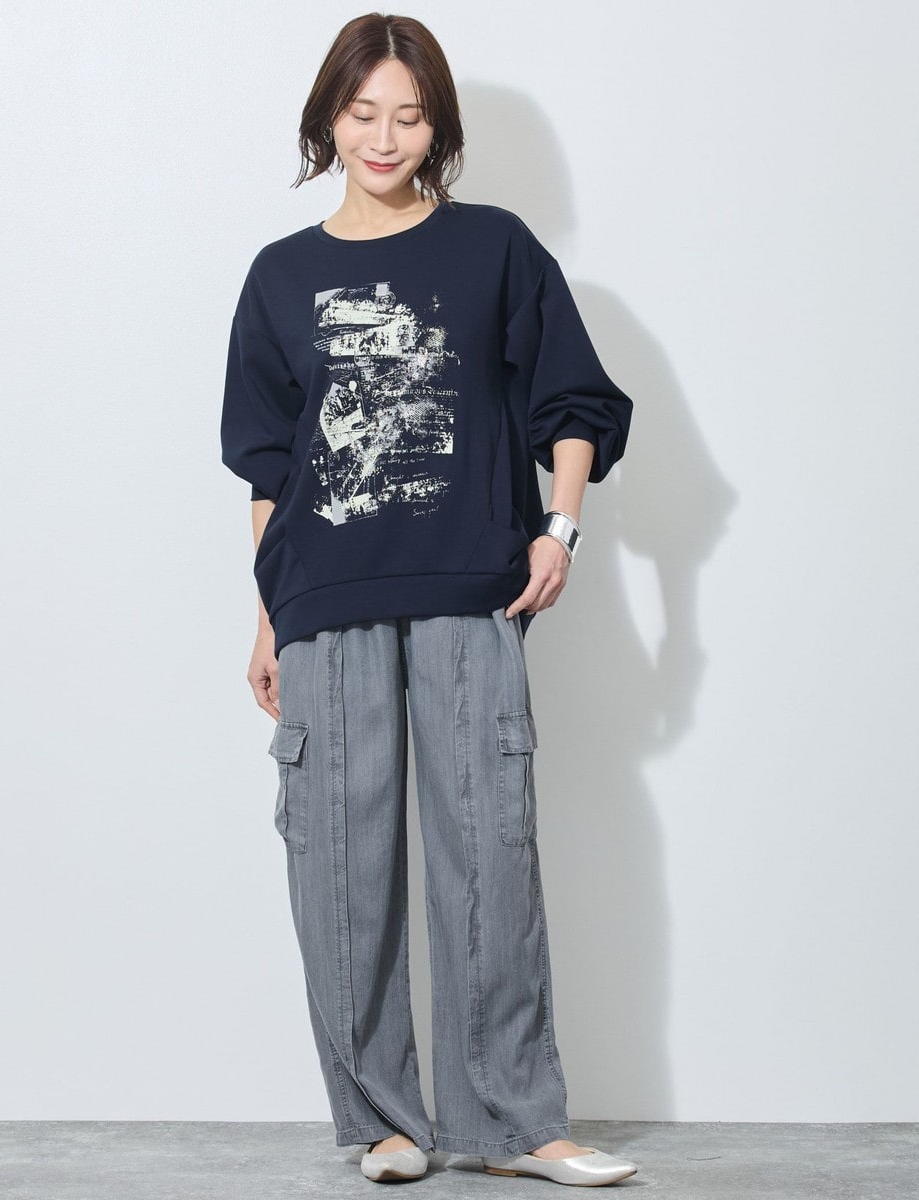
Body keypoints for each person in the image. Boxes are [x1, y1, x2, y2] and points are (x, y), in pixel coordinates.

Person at [220, 12, 637, 1187]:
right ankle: (383, 1125)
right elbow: (269, 470)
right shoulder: (280, 275)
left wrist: (559, 527)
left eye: (408, 115)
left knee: (489, 853)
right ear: (329, 118)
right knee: (338, 865)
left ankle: (514, 1125)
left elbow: (572, 397)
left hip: (471, 590)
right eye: (363, 113)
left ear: (436, 126)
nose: (384, 136)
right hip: (322, 597)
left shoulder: (493, 248)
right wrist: (266, 618)